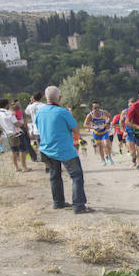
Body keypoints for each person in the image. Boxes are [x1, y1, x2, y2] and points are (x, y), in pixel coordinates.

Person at [34, 85, 93, 214]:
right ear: (59, 98)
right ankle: (79, 205)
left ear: (45, 98)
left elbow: (38, 128)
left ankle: (58, 202)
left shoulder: (40, 112)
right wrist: (70, 115)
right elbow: (76, 129)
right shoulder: (63, 112)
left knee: (54, 176)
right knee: (76, 176)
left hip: (47, 149)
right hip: (64, 149)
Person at [0, 98, 31, 172]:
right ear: (6, 104)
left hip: (8, 134)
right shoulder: (9, 113)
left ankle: (16, 167)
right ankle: (24, 167)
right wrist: (22, 123)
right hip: (17, 133)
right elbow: (16, 123)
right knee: (22, 150)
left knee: (13, 151)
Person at [84, 101, 113, 165]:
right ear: (92, 108)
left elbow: (110, 117)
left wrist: (108, 123)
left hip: (104, 131)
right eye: (95, 108)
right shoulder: (90, 115)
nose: (96, 109)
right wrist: (93, 127)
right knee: (99, 147)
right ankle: (103, 160)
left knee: (107, 144)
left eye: (98, 107)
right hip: (96, 133)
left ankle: (109, 157)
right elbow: (85, 125)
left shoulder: (103, 112)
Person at [119, 98, 138, 167]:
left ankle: (138, 162)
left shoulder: (138, 111)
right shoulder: (124, 112)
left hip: (138, 132)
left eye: (133, 105)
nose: (131, 107)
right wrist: (123, 131)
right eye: (130, 105)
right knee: (131, 149)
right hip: (129, 132)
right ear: (128, 105)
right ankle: (134, 161)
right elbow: (120, 122)